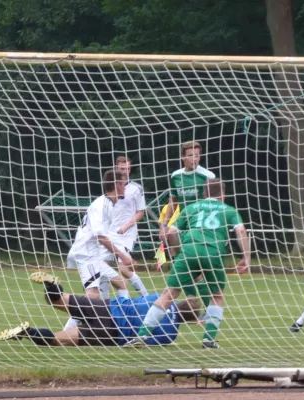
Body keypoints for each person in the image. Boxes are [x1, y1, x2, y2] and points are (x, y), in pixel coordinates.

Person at [126, 179, 250, 349]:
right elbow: (241, 230)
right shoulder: (229, 210)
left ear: (204, 194)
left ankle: (142, 335)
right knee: (217, 296)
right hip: (213, 253)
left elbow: (170, 233)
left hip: (189, 252)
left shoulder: (191, 208)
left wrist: (178, 253)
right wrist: (246, 258)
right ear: (222, 194)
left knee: (168, 295)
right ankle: (208, 339)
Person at [0, 272, 200, 347]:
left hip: (107, 307)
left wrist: (193, 276)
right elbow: (142, 342)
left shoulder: (160, 298)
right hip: (111, 333)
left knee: (57, 300)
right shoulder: (171, 335)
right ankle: (28, 332)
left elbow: (172, 287)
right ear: (190, 321)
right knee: (57, 339)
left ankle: (53, 286)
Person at [64, 170, 133, 330]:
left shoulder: (109, 204)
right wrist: (122, 256)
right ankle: (66, 331)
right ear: (117, 185)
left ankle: (124, 322)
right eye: (124, 184)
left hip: (93, 255)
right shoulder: (100, 205)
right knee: (92, 296)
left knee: (121, 283)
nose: (125, 188)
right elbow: (100, 237)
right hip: (85, 254)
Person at [102, 156, 148, 299]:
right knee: (102, 266)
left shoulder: (136, 188)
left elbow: (141, 212)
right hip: (111, 231)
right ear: (116, 168)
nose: (125, 172)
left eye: (128, 168)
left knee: (123, 268)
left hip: (127, 234)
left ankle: (146, 298)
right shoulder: (111, 186)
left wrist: (127, 225)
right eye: (122, 169)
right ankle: (104, 303)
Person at [159, 141, 215, 248]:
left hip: (202, 219)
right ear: (183, 157)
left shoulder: (208, 176)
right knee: (170, 234)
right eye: (190, 155)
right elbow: (173, 201)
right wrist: (164, 225)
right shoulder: (176, 176)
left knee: (195, 249)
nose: (194, 159)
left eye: (197, 156)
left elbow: (216, 202)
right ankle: (180, 259)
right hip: (184, 217)